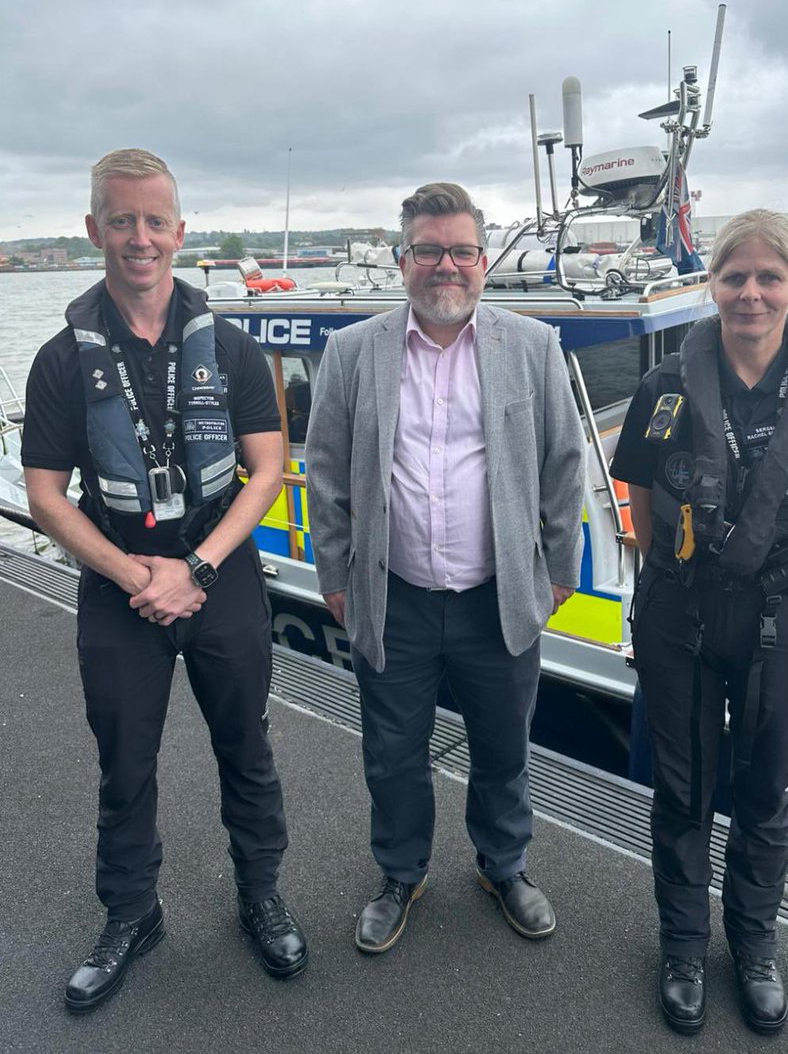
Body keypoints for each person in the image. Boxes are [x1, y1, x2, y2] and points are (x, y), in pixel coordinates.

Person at [22, 149, 308, 1012]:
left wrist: (196, 568)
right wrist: (135, 575)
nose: (138, 238)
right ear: (93, 230)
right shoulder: (60, 361)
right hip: (120, 588)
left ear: (179, 234)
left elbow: (265, 470)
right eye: (121, 220)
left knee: (246, 751)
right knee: (124, 764)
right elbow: (44, 495)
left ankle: (259, 894)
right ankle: (130, 914)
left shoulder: (230, 347)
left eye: (154, 222)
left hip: (220, 578)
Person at [305, 182, 585, 953]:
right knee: (392, 754)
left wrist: (559, 571)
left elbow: (564, 467)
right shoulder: (353, 351)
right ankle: (400, 873)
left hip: (498, 597)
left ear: (482, 261)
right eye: (427, 250)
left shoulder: (530, 347)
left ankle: (505, 865)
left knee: (503, 748)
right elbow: (325, 473)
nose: (444, 265)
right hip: (391, 594)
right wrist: (332, 576)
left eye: (460, 250)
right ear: (402, 261)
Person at [610, 209, 788, 1036]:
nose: (749, 293)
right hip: (681, 614)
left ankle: (753, 945)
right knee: (681, 792)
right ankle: (684, 946)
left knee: (766, 794)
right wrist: (670, 583)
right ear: (711, 285)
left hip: (786, 619)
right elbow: (642, 501)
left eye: (767, 277)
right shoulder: (662, 389)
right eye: (733, 276)